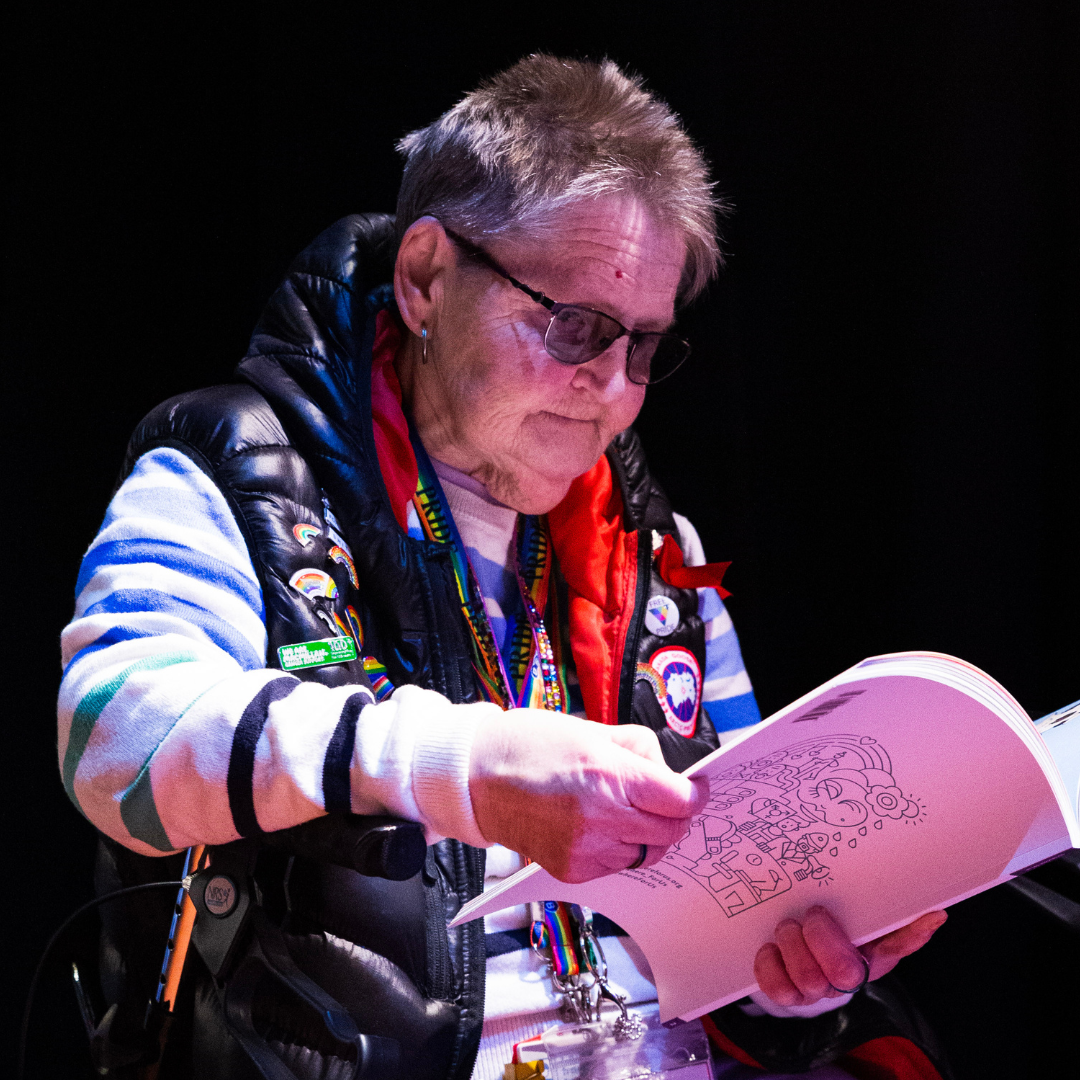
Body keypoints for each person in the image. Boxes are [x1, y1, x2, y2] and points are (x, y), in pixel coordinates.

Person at [57, 55, 949, 1080]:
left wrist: (805, 969)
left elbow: (741, 915)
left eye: (643, 345)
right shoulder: (233, 474)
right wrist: (467, 769)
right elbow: (113, 743)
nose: (611, 390)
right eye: (572, 325)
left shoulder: (661, 554)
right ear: (427, 276)